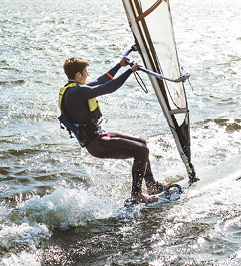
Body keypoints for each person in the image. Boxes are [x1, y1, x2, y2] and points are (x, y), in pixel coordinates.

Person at [59, 55, 167, 203]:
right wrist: (130, 71)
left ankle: (151, 185)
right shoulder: (78, 92)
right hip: (97, 144)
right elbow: (109, 87)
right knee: (142, 151)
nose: (87, 74)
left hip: (99, 137)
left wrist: (119, 65)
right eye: (85, 72)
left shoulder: (72, 90)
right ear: (78, 75)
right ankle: (136, 195)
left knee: (142, 143)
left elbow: (101, 81)